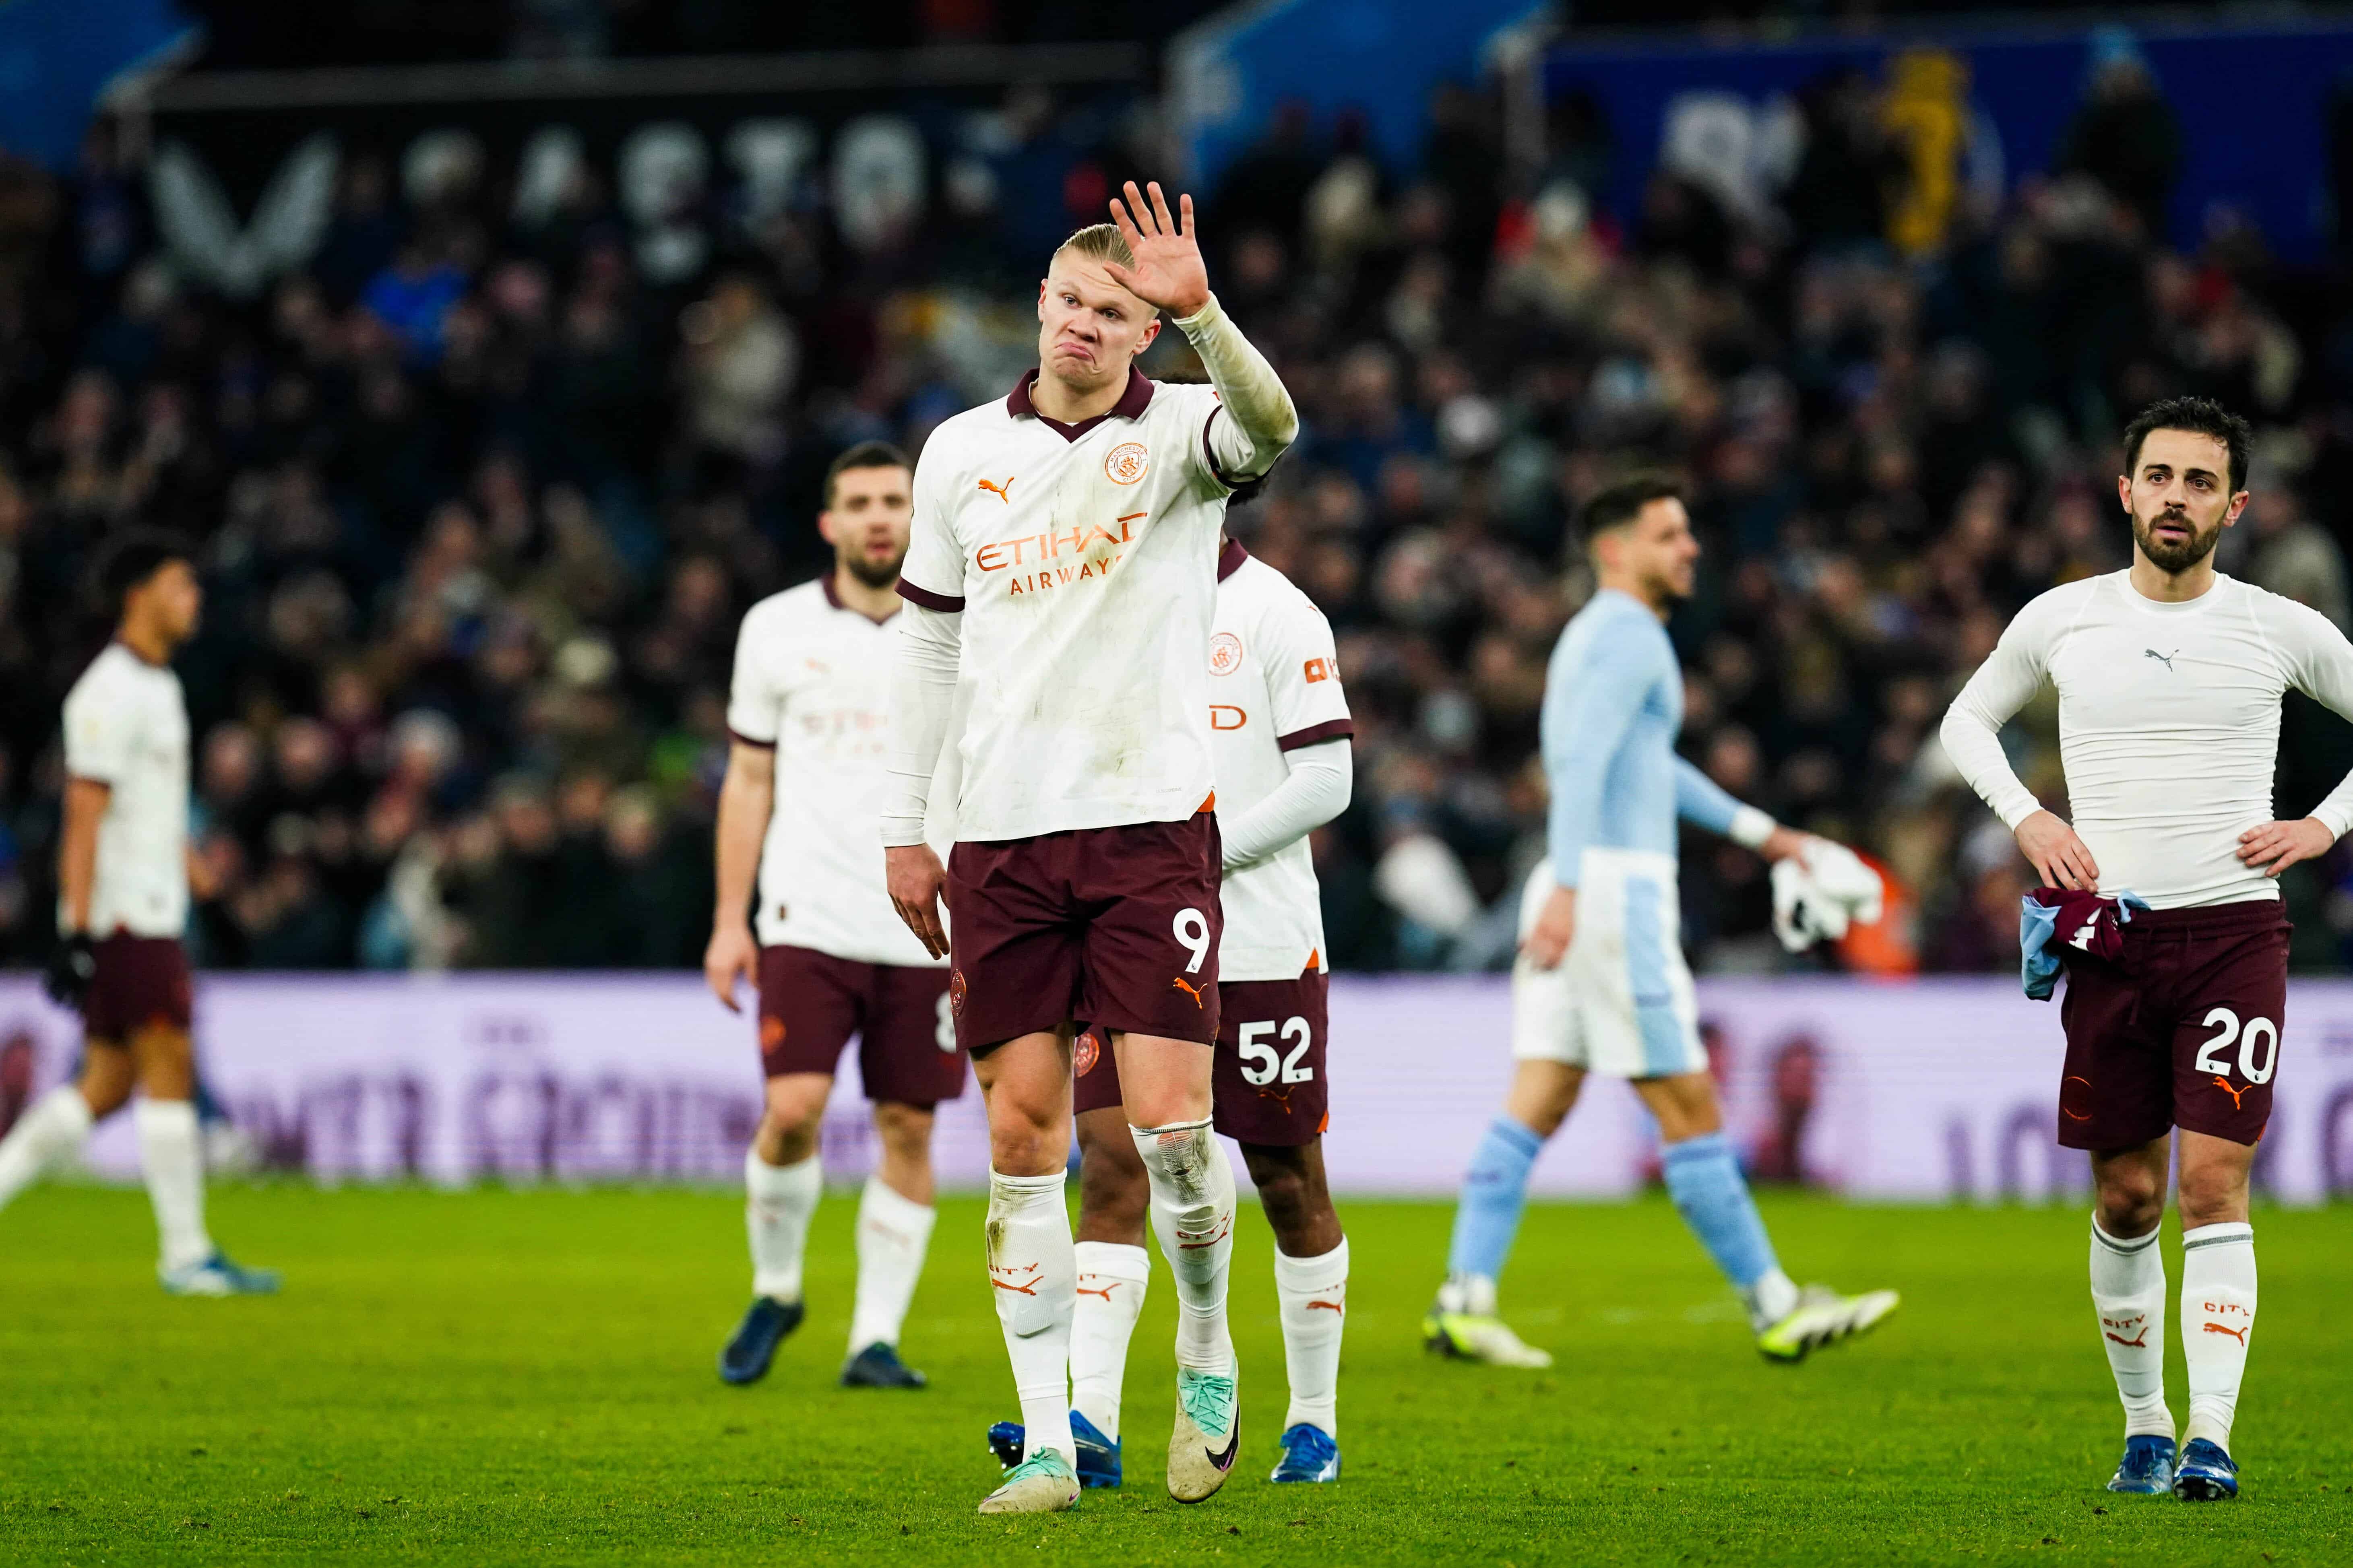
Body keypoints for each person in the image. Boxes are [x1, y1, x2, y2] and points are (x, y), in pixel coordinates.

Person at [882, 182, 1298, 1514]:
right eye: (1069, 298)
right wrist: (908, 830)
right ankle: (1054, 1440)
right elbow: (931, 647)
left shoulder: (1183, 430)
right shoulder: (957, 453)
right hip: (997, 841)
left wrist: (1206, 316)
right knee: (1019, 1140)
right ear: (1042, 306)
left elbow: (1277, 425)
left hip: (1145, 829)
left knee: (1174, 1132)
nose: (1081, 322)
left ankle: (1203, 1338)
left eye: (1112, 310)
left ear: (1140, 329)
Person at [1939, 396, 2353, 1503]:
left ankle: (2210, 1440)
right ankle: (2143, 1426)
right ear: (2123, 492)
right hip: (2109, 939)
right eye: (2158, 476)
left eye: (2199, 481)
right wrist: (2025, 816)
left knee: (2212, 1186)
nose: (2176, 497)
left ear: (2235, 505)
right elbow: (1964, 722)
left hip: (2231, 933)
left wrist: (2322, 824)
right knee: (2126, 1197)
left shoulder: (2274, 625)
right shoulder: (2063, 617)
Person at [1425, 477, 1895, 1367]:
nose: (1690, 548)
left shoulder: (1598, 639)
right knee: (1687, 1100)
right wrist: (1569, 887)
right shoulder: (1631, 637)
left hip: (1578, 882)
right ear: (1615, 549)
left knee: (1542, 1092)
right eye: (1669, 534)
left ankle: (1464, 1298)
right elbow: (1583, 764)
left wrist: (1767, 834)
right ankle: (1776, 1305)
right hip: (1609, 891)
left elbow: (1645, 764)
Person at [984, 533, 1356, 1488]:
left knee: (1284, 1177)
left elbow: (1328, 777)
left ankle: (1312, 1422)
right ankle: (1091, 1420)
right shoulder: (1096, 603)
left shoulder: (1278, 611)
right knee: (1112, 1164)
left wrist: (1193, 864)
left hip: (1262, 941)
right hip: (1122, 938)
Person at [703, 442, 965, 1392]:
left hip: (927, 924)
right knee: (792, 1110)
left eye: (894, 500)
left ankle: (874, 1339)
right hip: (805, 913)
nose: (878, 518)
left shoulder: (961, 626)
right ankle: (777, 1288)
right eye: (858, 502)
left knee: (908, 1124)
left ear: (916, 514)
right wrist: (731, 919)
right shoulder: (774, 629)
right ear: (829, 523)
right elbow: (749, 778)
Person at [0, 532, 277, 1295]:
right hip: (127, 918)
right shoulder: (109, 692)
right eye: (181, 586)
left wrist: (208, 891)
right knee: (170, 1066)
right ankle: (186, 1256)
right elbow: (84, 818)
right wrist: (74, 930)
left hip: (156, 907)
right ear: (139, 597)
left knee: (108, 1084)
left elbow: (158, 815)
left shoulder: (159, 686)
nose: (195, 600)